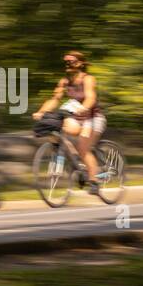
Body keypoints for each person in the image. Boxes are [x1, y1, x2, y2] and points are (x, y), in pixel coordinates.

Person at [32, 51, 107, 195]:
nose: (67, 64)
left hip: (93, 117)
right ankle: (77, 163)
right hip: (77, 117)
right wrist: (41, 112)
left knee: (83, 148)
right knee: (59, 128)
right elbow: (54, 99)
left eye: (71, 62)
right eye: (66, 62)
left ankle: (94, 181)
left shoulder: (88, 79)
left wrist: (84, 108)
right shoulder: (64, 81)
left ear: (80, 63)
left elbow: (90, 97)